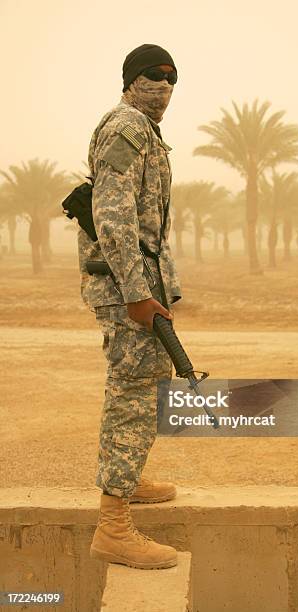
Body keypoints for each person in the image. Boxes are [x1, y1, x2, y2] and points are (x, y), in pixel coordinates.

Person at [77, 44, 182, 569]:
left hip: (139, 283)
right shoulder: (126, 128)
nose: (163, 86)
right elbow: (113, 215)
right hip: (127, 288)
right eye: (152, 75)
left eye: (171, 77)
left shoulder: (144, 129)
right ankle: (114, 525)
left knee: (141, 388)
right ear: (129, 80)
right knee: (132, 391)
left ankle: (130, 478)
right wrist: (138, 293)